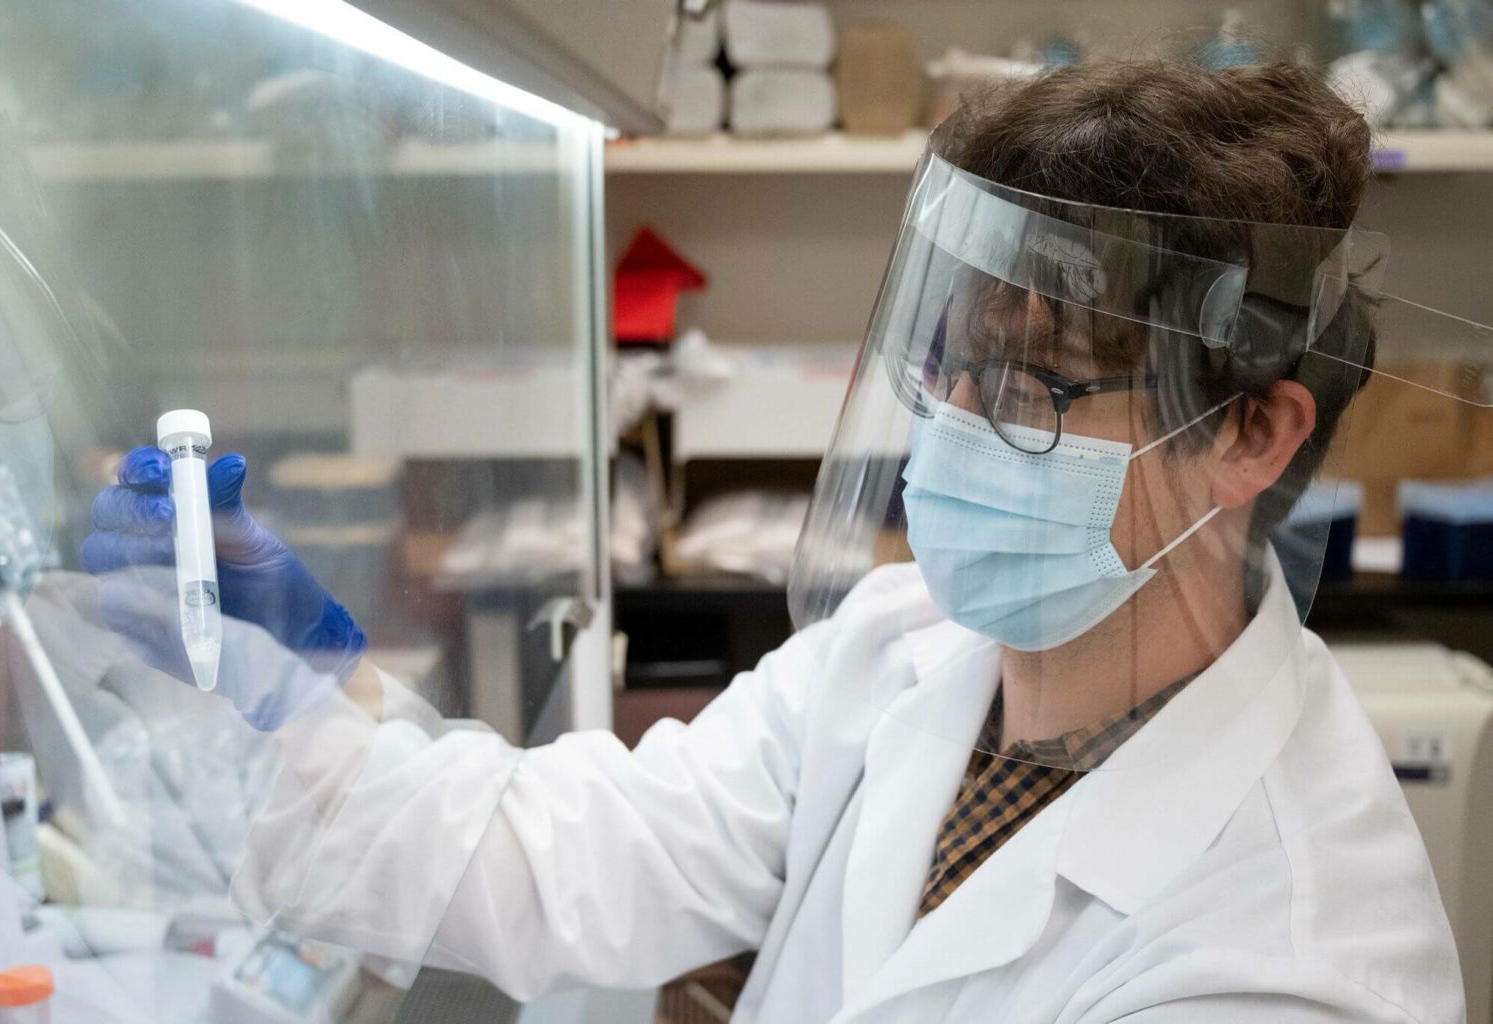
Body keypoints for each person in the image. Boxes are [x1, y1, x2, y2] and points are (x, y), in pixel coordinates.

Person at [83, 60, 1468, 1022]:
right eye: (947, 366)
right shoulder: (907, 652)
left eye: (1032, 387)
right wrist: (296, 685)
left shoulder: (1287, 964)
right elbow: (580, 860)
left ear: (1251, 434)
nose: (956, 426)